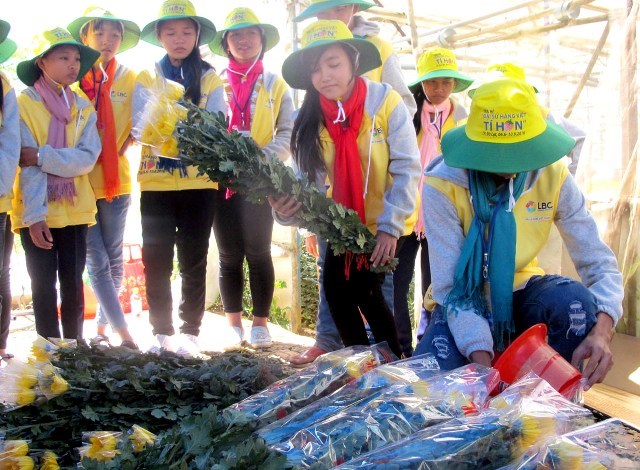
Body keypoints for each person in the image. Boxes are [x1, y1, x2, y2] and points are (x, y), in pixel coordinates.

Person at [414, 77, 623, 390]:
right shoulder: (442, 184)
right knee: (434, 392)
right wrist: (487, 371)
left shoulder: (553, 176)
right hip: (463, 302)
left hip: (524, 295)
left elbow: (599, 263)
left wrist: (602, 331)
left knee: (574, 303)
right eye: (499, 155)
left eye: (521, 151)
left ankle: (551, 403)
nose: (512, 165)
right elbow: (450, 287)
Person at [270, 20, 420, 359]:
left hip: (383, 224)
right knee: (336, 293)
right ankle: (356, 363)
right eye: (316, 69)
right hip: (339, 227)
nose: (325, 75)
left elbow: (408, 167)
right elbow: (305, 184)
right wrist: (285, 210)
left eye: (333, 63)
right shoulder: (306, 118)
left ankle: (391, 363)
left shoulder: (386, 103)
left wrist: (389, 228)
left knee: (375, 295)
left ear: (353, 60)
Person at [134, 0, 224, 354]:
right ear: (159, 36)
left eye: (187, 31)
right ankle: (161, 332)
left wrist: (171, 125)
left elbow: (215, 127)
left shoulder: (210, 77)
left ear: (197, 35)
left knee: (193, 259)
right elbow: (142, 127)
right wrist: (181, 125)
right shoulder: (146, 77)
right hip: (155, 182)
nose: (179, 38)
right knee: (154, 260)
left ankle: (190, 332)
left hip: (199, 183)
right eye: (170, 32)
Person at [208, 7, 294, 349]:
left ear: (262, 40)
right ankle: (233, 324)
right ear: (227, 43)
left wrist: (259, 160)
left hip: (260, 180)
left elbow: (286, 131)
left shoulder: (275, 84)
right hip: (221, 181)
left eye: (251, 34)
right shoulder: (213, 83)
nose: (244, 41)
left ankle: (260, 324)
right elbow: (206, 129)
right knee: (228, 253)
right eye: (236, 35)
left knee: (258, 251)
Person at [13, 27, 101, 340]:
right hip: (36, 212)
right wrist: (35, 217)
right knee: (42, 288)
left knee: (73, 286)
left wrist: (41, 154)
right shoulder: (22, 104)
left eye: (77, 58)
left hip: (76, 210)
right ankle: (48, 356)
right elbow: (24, 165)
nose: (73, 64)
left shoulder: (82, 107)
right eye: (63, 57)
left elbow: (87, 158)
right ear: (42, 62)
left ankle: (75, 350)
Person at [68, 7, 140, 349]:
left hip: (117, 181)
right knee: (96, 261)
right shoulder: (72, 77)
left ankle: (101, 329)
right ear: (85, 37)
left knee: (113, 258)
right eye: (99, 34)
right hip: (79, 183)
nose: (107, 41)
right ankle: (124, 335)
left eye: (114, 35)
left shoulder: (129, 77)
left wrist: (129, 138)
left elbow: (144, 121)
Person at [397, 48, 474, 354]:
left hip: (443, 214)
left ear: (454, 84)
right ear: (422, 85)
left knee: (436, 285)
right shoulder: (406, 115)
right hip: (406, 213)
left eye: (446, 81)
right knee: (397, 283)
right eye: (433, 82)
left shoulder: (465, 120)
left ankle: (428, 344)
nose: (440, 88)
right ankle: (398, 345)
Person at [0, 24, 19, 361]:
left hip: (0, 196)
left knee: (2, 273)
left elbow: (10, 141)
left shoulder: (3, 84)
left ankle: (1, 344)